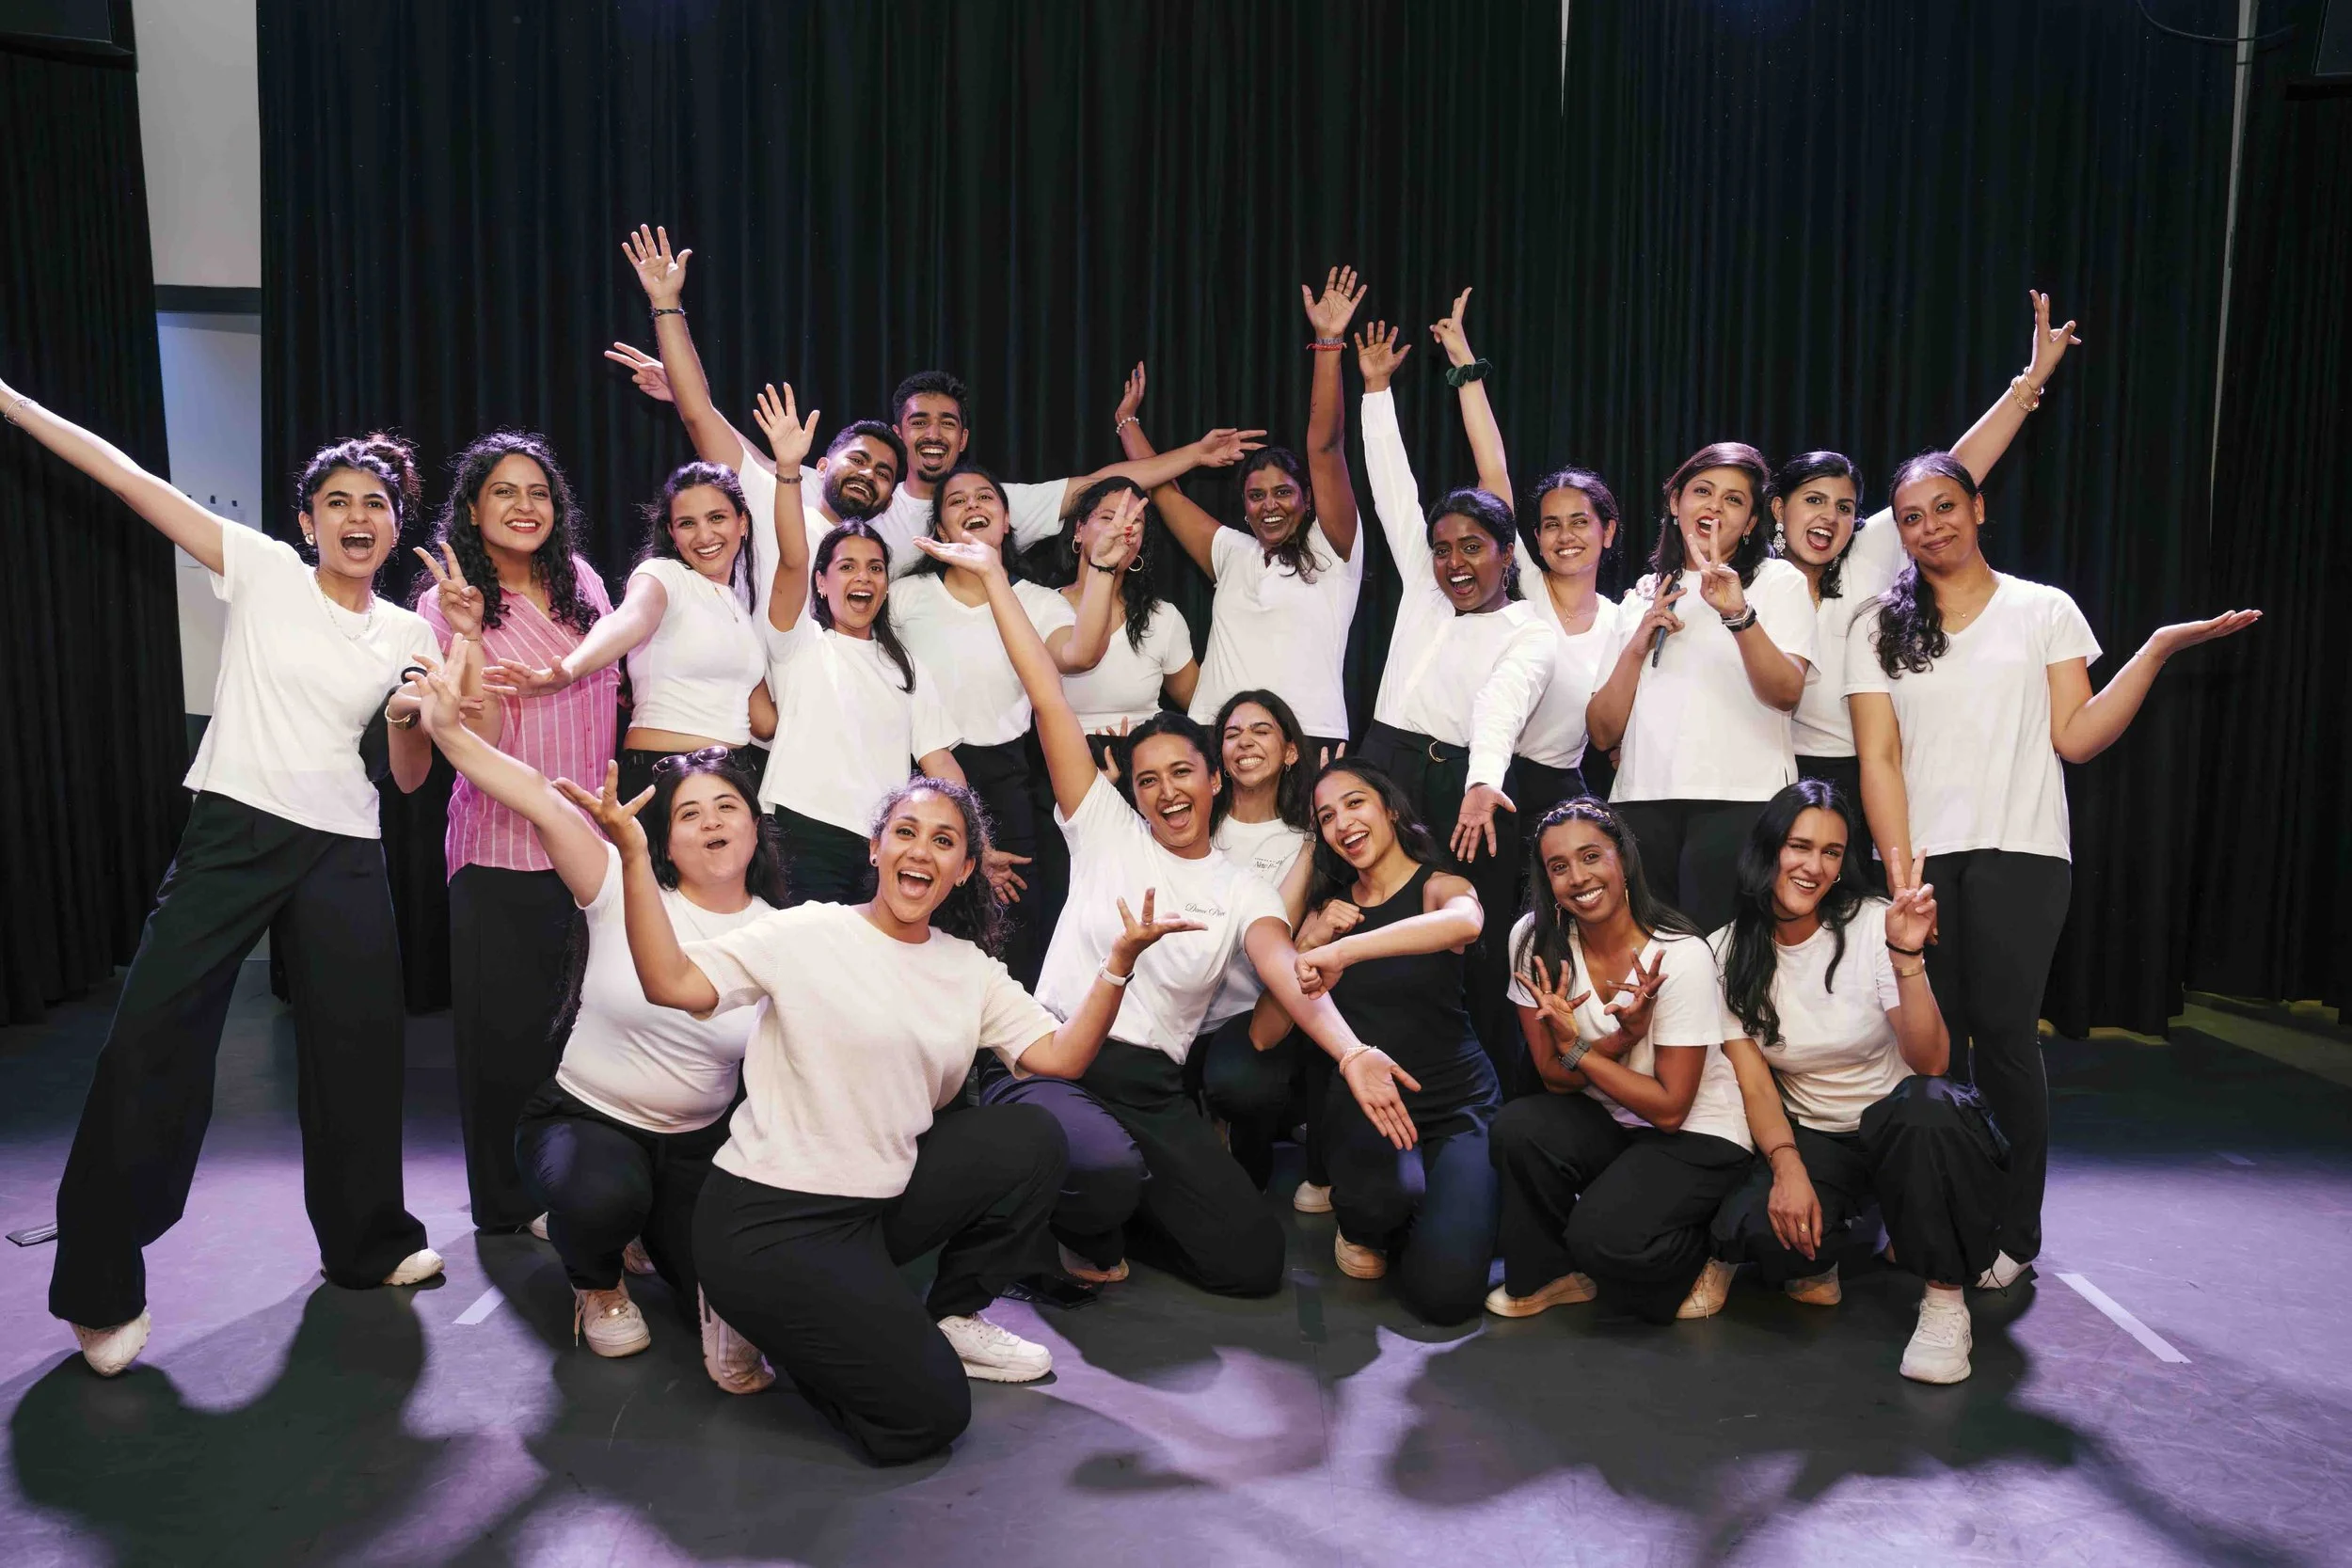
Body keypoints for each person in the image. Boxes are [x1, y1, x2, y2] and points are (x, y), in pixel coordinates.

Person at [2, 377, 446, 1376]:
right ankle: (98, 1287)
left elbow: (412, 776)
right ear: (305, 520)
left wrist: (420, 715)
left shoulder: (412, 632)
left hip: (344, 842)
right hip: (235, 827)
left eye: (374, 502)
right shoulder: (260, 569)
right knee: (152, 1035)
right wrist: (15, 405)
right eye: (335, 501)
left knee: (359, 1051)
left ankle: (367, 1242)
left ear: (395, 522)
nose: (356, 516)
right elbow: (121, 474)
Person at [579, 753, 1198, 1465]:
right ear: (876, 848)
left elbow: (1059, 1059)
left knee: (1028, 1132)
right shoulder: (808, 932)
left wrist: (1118, 964)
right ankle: (750, 1314)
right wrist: (631, 855)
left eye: (944, 840)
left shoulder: (967, 969)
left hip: (872, 1209)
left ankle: (949, 1312)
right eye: (906, 831)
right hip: (767, 1217)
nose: (921, 850)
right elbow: (670, 980)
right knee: (925, 1418)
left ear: (964, 868)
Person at [920, 530, 1415, 1299]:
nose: (1164, 790)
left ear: (1214, 779)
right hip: (1055, 1056)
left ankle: (1105, 1204)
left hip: (1150, 1081)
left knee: (1250, 1264)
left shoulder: (1238, 887)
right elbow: (1048, 692)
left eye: (1182, 771)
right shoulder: (1102, 826)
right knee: (1107, 1169)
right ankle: (1078, 1199)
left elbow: (1286, 971)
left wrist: (1351, 1052)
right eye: (1147, 780)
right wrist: (994, 581)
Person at [1848, 451, 2259, 1290]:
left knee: (2001, 1039)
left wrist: (2152, 651)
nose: (1931, 527)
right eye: (1913, 517)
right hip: (1924, 864)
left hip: (2024, 854)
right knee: (1926, 1050)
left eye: (1945, 507)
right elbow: (1879, 758)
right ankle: (1934, 1208)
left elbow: (2075, 737)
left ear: (1979, 507)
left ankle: (2013, 1230)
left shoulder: (2044, 610)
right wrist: (1900, 872)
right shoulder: (1875, 625)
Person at [408, 650, 780, 1387]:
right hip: (586, 1120)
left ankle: (652, 1240)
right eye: (690, 813)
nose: (710, 822)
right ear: (665, 838)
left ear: (754, 825)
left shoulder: (784, 932)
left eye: (726, 806)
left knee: (726, 1267)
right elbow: (542, 799)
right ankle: (597, 1280)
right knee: (605, 1193)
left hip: (696, 1145)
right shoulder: (622, 882)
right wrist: (450, 733)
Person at [1705, 780, 2008, 1383]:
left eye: (1833, 852)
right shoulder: (1726, 951)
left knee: (1929, 1105)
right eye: (1799, 846)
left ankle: (1945, 1301)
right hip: (1818, 1137)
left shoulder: (1874, 925)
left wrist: (1907, 957)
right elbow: (1756, 1086)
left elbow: (1931, 1064)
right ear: (1768, 849)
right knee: (1758, 1233)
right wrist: (1789, 1172)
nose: (1814, 866)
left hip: (1902, 1125)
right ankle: (1849, 1240)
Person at [1777, 292, 2085, 874]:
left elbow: (1955, 470)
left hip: (1872, 769)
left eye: (1845, 507)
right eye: (1813, 502)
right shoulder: (1751, 584)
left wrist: (2029, 383)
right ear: (1778, 510)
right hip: (1780, 772)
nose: (1829, 519)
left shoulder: (1870, 549)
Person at [412, 431, 621, 1236]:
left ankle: (574, 1178)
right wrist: (465, 633)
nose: (525, 505)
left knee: (579, 1034)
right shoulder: (446, 603)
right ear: (472, 508)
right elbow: (466, 729)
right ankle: (508, 1197)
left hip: (587, 847)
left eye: (538, 491)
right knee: (505, 1038)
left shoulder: (582, 584)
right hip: (499, 844)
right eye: (504, 491)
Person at [1354, 306, 1554, 1092]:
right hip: (1385, 764)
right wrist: (1376, 390)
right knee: (1372, 918)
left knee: (1472, 938)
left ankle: (1476, 1100)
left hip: (1465, 781)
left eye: (1472, 547)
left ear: (1507, 554)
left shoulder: (1527, 628)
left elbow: (1502, 705)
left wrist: (1483, 782)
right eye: (1442, 549)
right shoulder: (1424, 591)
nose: (1453, 562)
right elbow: (1392, 486)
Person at [1486, 799, 1754, 1324]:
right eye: (1558, 867)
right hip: (1613, 1120)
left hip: (1698, 1134)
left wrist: (1582, 1048)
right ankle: (1551, 1273)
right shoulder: (1533, 940)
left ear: (1622, 860)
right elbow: (1553, 1078)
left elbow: (1672, 1109)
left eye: (1591, 857)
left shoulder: (1678, 955)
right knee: (1519, 1126)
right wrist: (1617, 1040)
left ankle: (1716, 1248)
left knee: (1606, 1245)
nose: (1578, 877)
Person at [889, 463, 1133, 979]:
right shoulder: (907, 597)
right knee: (922, 912)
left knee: (1013, 921)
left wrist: (1105, 571)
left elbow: (1082, 652)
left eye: (985, 499)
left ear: (1005, 524)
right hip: (915, 771)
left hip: (1005, 777)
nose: (972, 506)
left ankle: (1007, 1053)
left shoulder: (1037, 601)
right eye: (956, 501)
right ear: (938, 532)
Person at [1115, 265, 1367, 758]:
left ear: (1308, 499)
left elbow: (1327, 446)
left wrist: (1329, 345)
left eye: (1283, 493)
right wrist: (1126, 423)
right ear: (1244, 508)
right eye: (1256, 496)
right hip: (1218, 737)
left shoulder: (1333, 548)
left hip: (1305, 738)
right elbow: (1166, 495)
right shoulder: (1233, 552)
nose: (1269, 505)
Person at [738, 384, 967, 904]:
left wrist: (973, 834)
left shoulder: (905, 667)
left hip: (880, 847)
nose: (861, 578)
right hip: (800, 832)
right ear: (822, 582)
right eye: (846, 566)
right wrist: (789, 471)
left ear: (887, 583)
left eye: (875, 568)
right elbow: (794, 558)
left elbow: (940, 763)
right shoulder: (799, 642)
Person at [1294, 762, 1499, 1325]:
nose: (1343, 823)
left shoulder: (1440, 885)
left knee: (1445, 1298)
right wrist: (1312, 940)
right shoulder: (1327, 911)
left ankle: (1440, 1205)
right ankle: (1367, 1220)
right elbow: (1269, 1027)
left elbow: (1465, 926)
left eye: (1355, 803)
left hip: (1459, 1102)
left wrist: (1345, 951)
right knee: (1385, 1201)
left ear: (1390, 808)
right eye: (1327, 816)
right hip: (1370, 1100)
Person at [1422, 286, 1632, 837]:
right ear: (1533, 539)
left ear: (1608, 531)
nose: (1566, 536)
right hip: (1492, 770)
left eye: (1581, 522)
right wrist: (1468, 370)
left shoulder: (1622, 618)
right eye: (1551, 525)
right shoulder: (1525, 588)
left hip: (1559, 784)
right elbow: (1494, 472)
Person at [1584, 438, 1813, 934]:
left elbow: (1786, 693)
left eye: (1734, 499)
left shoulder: (1777, 582)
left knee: (1725, 966)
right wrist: (1637, 642)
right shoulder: (1642, 596)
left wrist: (1737, 613)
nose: (1714, 506)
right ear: (1675, 502)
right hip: (1642, 801)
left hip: (1742, 800)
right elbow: (1602, 733)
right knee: (1658, 964)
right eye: (1703, 491)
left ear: (1752, 522)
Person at [485, 459, 774, 803]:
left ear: (742, 522)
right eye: (687, 523)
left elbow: (764, 723)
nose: (704, 535)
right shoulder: (663, 575)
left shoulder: (738, 606)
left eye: (717, 518)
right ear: (671, 533)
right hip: (666, 776)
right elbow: (627, 620)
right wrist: (567, 672)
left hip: (733, 778)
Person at [1191, 691, 1320, 1198]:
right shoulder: (1196, 823)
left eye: (1261, 730)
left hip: (1250, 1018)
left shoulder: (1303, 840)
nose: (1244, 742)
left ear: (1289, 752)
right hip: (1180, 1009)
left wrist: (1314, 837)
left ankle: (1249, 1149)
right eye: (1231, 733)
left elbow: (1277, 935)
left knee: (1241, 1093)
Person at [1035, 477, 1200, 743]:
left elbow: (1201, 703)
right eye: (1109, 518)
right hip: (1062, 766)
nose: (1122, 530)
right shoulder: (1038, 607)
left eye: (1135, 523)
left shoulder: (1161, 618)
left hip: (1144, 770)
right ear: (1079, 529)